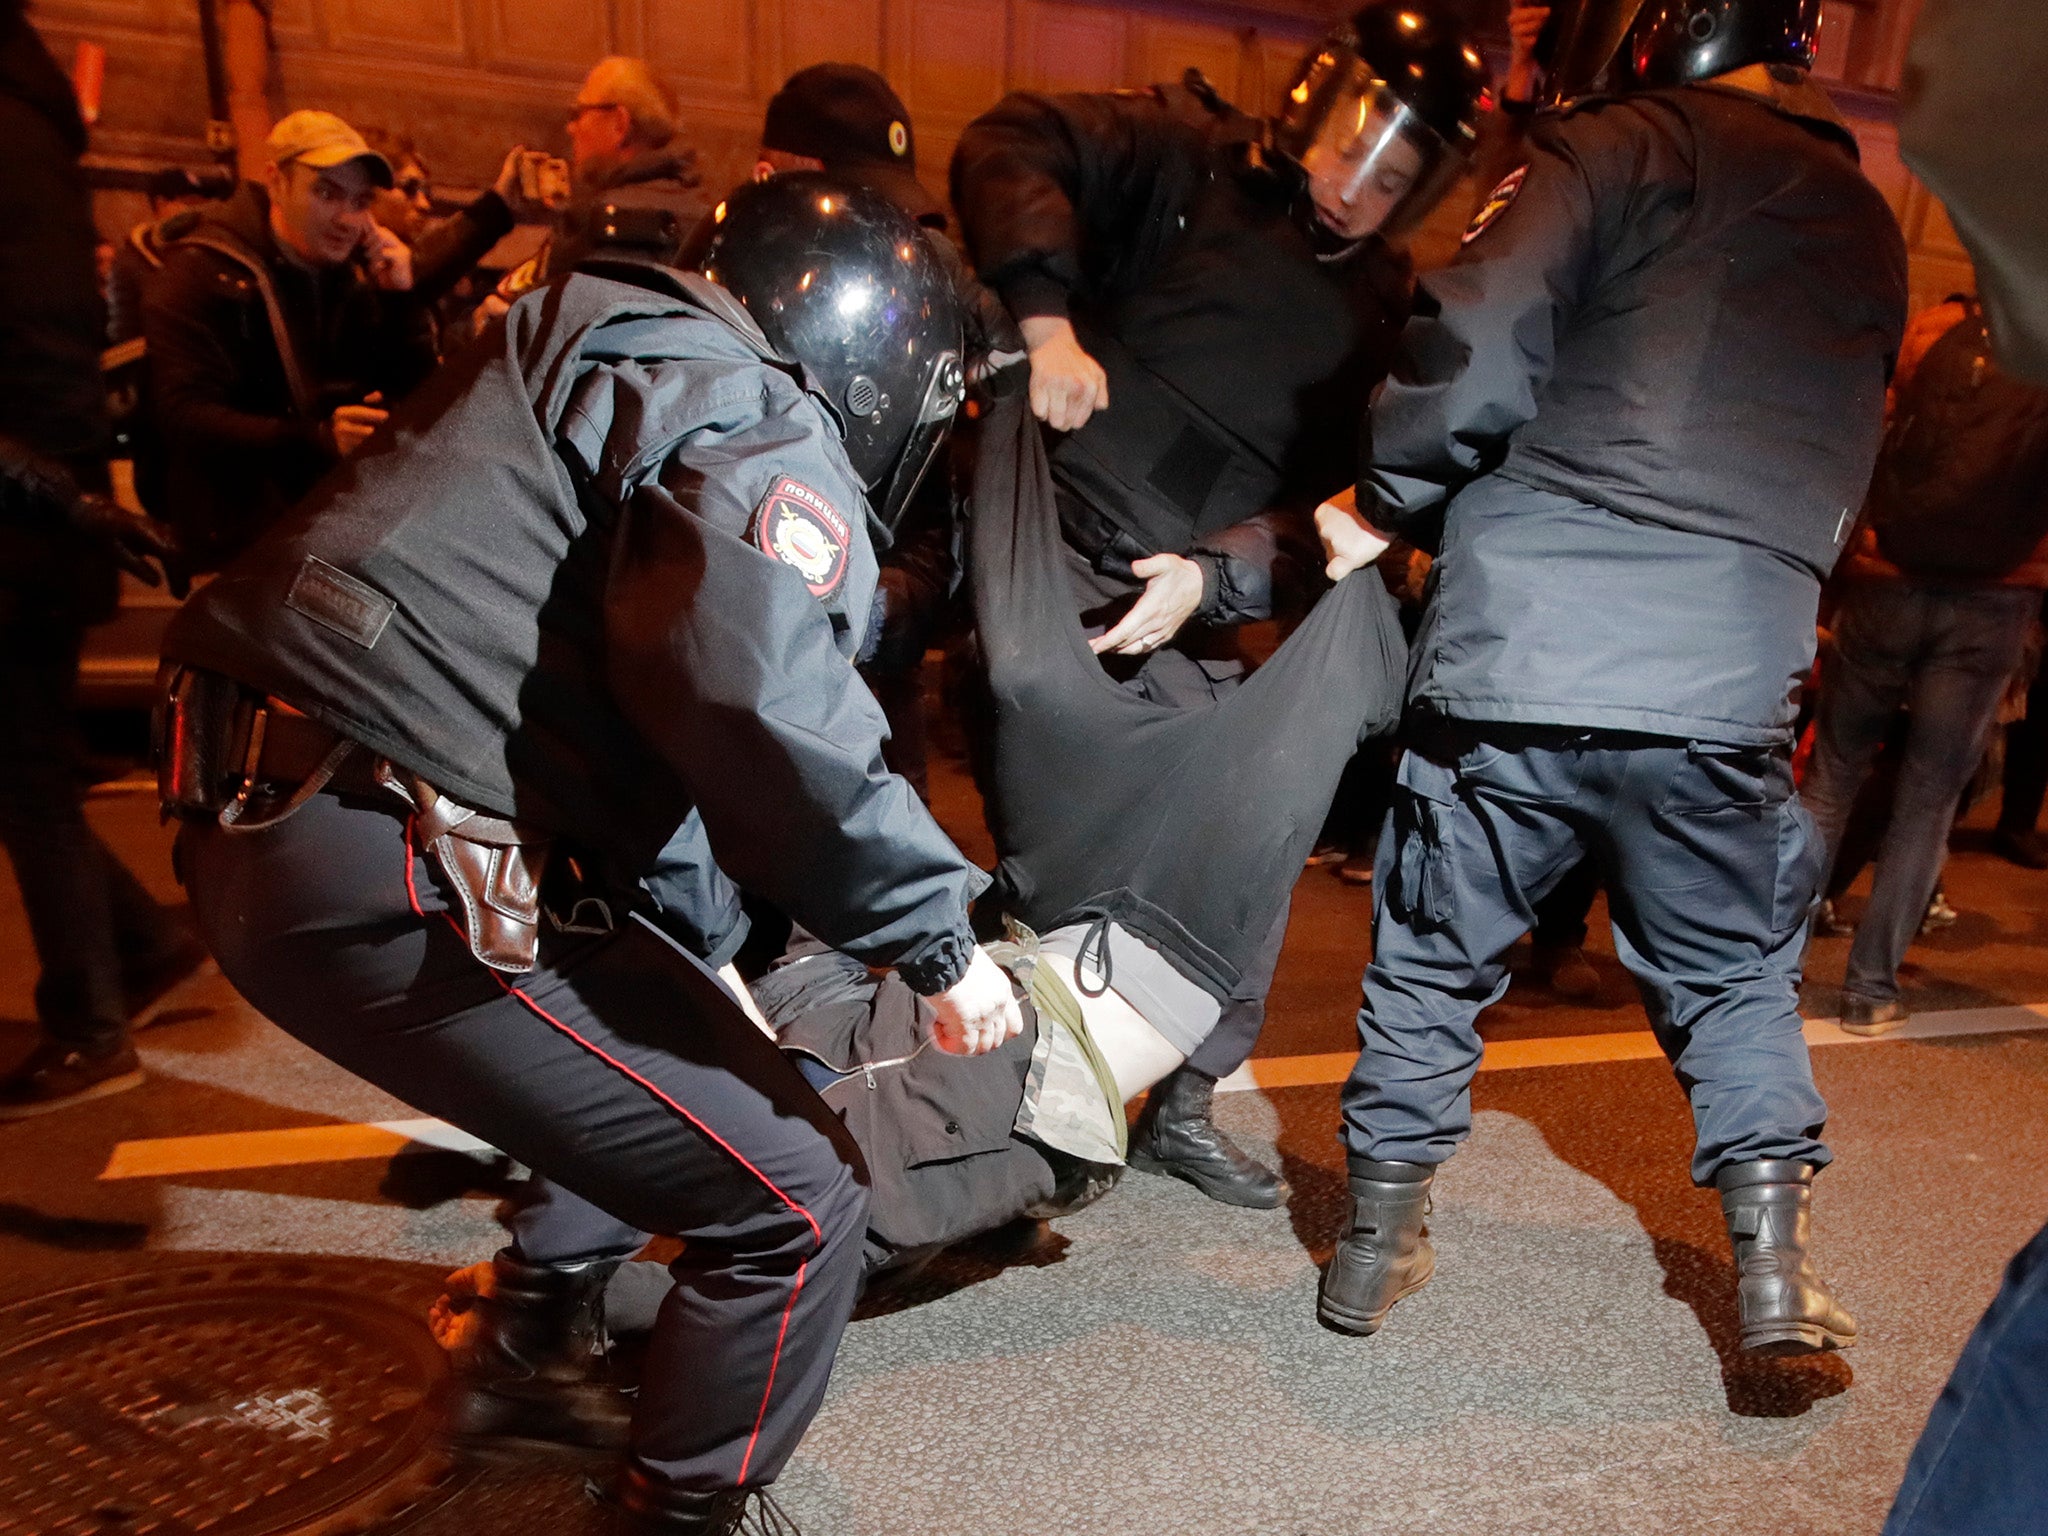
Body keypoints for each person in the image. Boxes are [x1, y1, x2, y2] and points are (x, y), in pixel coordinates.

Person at [155, 174, 1013, 1535]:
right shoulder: (757, 411)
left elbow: (634, 734)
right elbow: (749, 681)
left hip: (272, 813)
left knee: (673, 1053)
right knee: (798, 1206)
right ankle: (678, 1515)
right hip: (401, 847)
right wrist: (937, 939)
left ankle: (530, 1340)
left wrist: (719, 977)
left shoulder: (588, 336)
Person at [1313, 0, 1907, 1351]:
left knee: (1434, 948)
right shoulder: (1864, 219)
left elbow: (1473, 335)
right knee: (1731, 970)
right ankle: (1772, 1275)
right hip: (1725, 669)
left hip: (1526, 646)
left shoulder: (1611, 149)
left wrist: (1386, 494)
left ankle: (1373, 1246)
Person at [949, 0, 1488, 1209]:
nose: (1353, 187)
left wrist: (1215, 576)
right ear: (1312, 107)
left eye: (1391, 178)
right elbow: (1013, 142)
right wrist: (1045, 322)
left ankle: (1179, 1100)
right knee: (1054, 828)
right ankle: (1012, 1093)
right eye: (1351, 147)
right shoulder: (1183, 164)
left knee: (1247, 835)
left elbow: (1340, 507)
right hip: (1053, 552)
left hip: (1196, 595)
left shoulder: (1383, 309)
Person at [0, 0, 198, 1118]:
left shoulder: (13, 133)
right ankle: (134, 947)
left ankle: (89, 1016)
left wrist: (64, 500)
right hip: (46, 497)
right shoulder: (34, 127)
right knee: (27, 769)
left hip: (30, 511)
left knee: (25, 773)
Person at [1797, 293, 2048, 1034]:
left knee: (1833, 775)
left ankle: (1769, 966)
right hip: (1992, 601)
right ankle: (1870, 988)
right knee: (1929, 796)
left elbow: (1875, 425)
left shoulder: (1933, 329)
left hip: (1886, 580)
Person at [141, 109, 437, 572]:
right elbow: (184, 416)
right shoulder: (201, 271)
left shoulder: (350, 273)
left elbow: (418, 395)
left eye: (360, 202)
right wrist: (317, 439)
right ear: (276, 182)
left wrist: (401, 298)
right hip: (236, 537)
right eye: (325, 193)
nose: (346, 218)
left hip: (322, 528)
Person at [488, 57, 706, 314]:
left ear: (619, 124)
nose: (571, 128)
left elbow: (521, 305)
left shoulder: (589, 221)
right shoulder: (703, 215)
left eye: (579, 113)